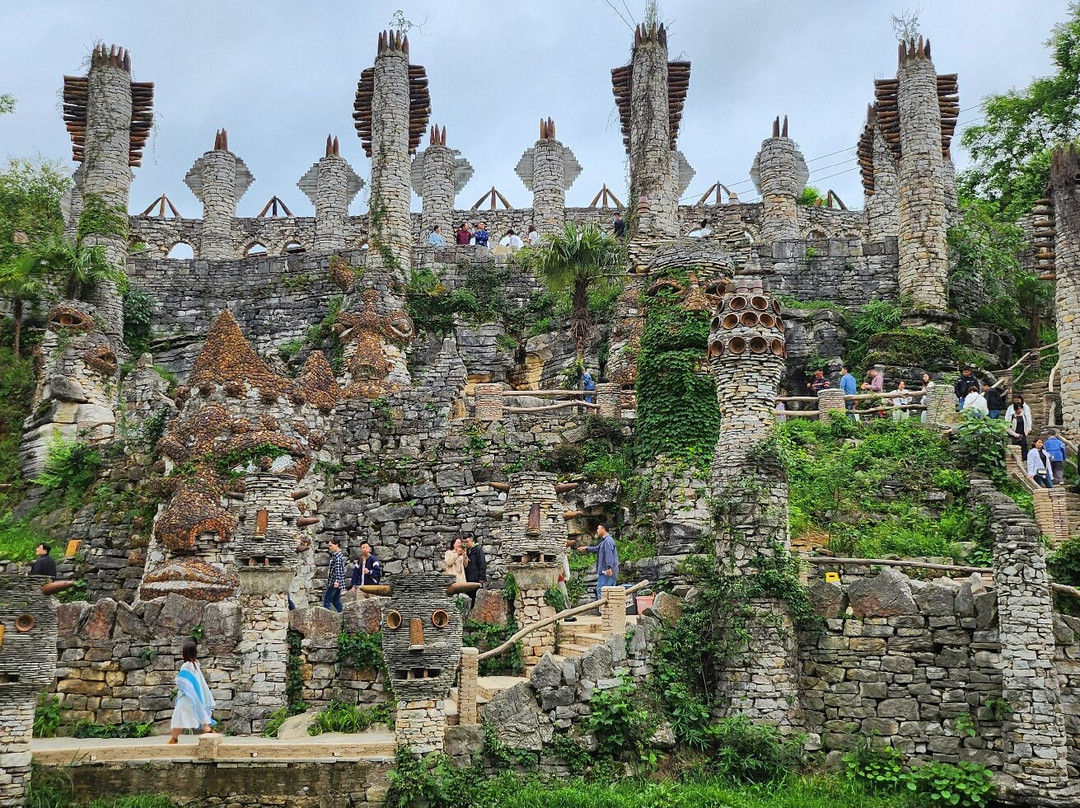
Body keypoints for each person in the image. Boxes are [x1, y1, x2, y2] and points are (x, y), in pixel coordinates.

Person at [168, 640, 216, 744]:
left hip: (187, 696)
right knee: (200, 716)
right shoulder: (196, 665)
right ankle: (211, 734)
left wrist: (178, 681)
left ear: (185, 654)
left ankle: (174, 738)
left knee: (178, 716)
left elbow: (182, 681)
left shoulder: (186, 666)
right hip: (195, 697)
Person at [577, 524, 619, 603]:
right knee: (609, 593)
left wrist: (609, 568)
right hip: (608, 572)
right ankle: (608, 609)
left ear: (603, 529)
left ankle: (603, 609)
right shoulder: (605, 541)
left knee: (602, 591)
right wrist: (586, 548)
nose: (597, 530)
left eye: (598, 528)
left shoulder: (607, 541)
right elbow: (597, 549)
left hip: (606, 572)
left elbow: (609, 555)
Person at [1006, 394, 1033, 460]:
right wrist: (1014, 434)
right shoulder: (1011, 414)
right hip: (1014, 432)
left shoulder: (1025, 409)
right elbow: (1007, 426)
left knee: (1024, 446)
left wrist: (1029, 428)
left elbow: (1028, 418)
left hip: (1022, 432)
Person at [323, 539, 346, 612]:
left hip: (334, 582)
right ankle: (343, 614)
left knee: (327, 600)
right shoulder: (336, 555)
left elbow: (338, 570)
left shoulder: (338, 557)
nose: (330, 547)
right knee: (335, 600)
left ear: (336, 545)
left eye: (331, 546)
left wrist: (337, 581)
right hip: (335, 582)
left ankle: (326, 615)